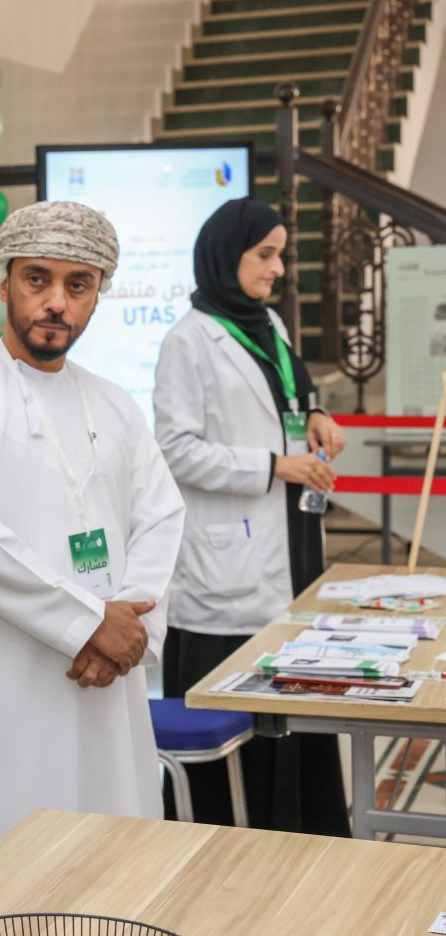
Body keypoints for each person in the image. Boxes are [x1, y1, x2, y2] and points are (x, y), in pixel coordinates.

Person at [0, 201, 187, 882]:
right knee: (12, 873)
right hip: (10, 674)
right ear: (5, 281)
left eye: (79, 285)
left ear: (98, 294)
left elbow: (161, 514)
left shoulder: (113, 403)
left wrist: (129, 624)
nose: (56, 303)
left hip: (109, 675)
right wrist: (88, 623)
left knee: (112, 861)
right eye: (37, 279)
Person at [153, 197, 349, 834]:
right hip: (227, 569)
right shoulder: (189, 341)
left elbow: (286, 397)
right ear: (225, 255)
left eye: (281, 255)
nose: (279, 268)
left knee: (297, 707)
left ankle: (303, 836)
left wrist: (315, 417)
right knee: (245, 726)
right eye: (265, 254)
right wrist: (273, 466)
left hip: (290, 543)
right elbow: (176, 450)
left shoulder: (270, 325)